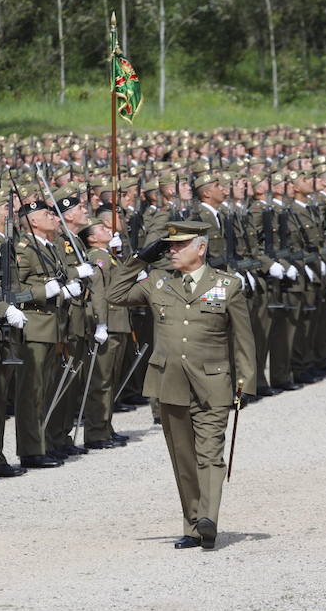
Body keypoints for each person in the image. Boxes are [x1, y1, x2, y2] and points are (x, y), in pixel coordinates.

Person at [108, 220, 255, 550]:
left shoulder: (227, 285)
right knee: (183, 457)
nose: (172, 251)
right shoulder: (158, 281)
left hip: (213, 383)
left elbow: (243, 340)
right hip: (169, 382)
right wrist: (140, 259)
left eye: (179, 245)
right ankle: (192, 525)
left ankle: (208, 519)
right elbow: (114, 295)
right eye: (169, 246)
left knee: (210, 454)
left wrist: (245, 383)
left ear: (200, 248)